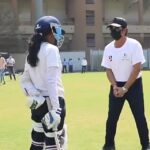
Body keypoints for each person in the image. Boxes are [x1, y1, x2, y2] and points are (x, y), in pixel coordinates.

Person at [101, 17, 150, 150]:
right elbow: (108, 69)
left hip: (133, 84)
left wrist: (126, 88)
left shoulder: (134, 45)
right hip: (116, 85)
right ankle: (109, 144)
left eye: (116, 29)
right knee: (112, 117)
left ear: (125, 31)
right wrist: (115, 86)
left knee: (139, 115)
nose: (113, 31)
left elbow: (137, 68)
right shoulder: (108, 48)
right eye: (111, 28)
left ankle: (146, 144)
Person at [20, 16, 67, 150]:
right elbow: (51, 81)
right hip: (52, 102)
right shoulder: (52, 50)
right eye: (56, 31)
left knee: (37, 142)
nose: (58, 35)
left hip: (37, 104)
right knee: (53, 144)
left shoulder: (31, 51)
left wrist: (36, 96)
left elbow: (24, 80)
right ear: (50, 31)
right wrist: (56, 109)